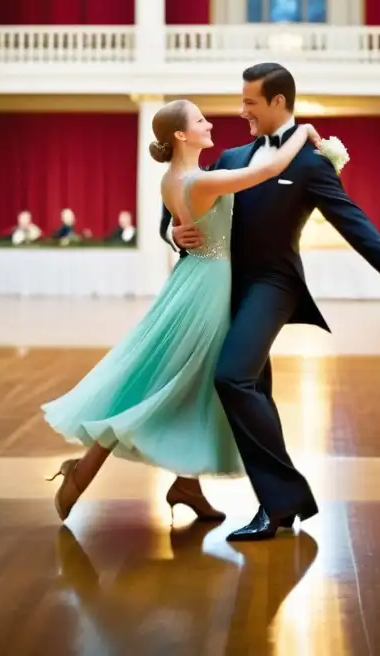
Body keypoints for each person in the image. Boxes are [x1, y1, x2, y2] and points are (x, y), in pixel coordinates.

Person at [162, 62, 380, 541]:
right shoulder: (231, 158)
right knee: (255, 391)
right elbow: (183, 193)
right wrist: (172, 231)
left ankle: (281, 502)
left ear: (278, 103)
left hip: (274, 286)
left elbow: (350, 219)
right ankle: (279, 505)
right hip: (225, 289)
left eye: (250, 102)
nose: (241, 111)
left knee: (232, 378)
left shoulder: (313, 164)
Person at [42, 99, 321, 522]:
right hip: (207, 289)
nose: (209, 124)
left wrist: (177, 231)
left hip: (195, 281)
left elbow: (193, 215)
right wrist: (304, 133)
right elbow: (266, 171)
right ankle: (82, 473)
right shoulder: (198, 180)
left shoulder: (177, 178)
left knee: (192, 383)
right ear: (180, 135)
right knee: (169, 383)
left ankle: (186, 485)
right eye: (200, 120)